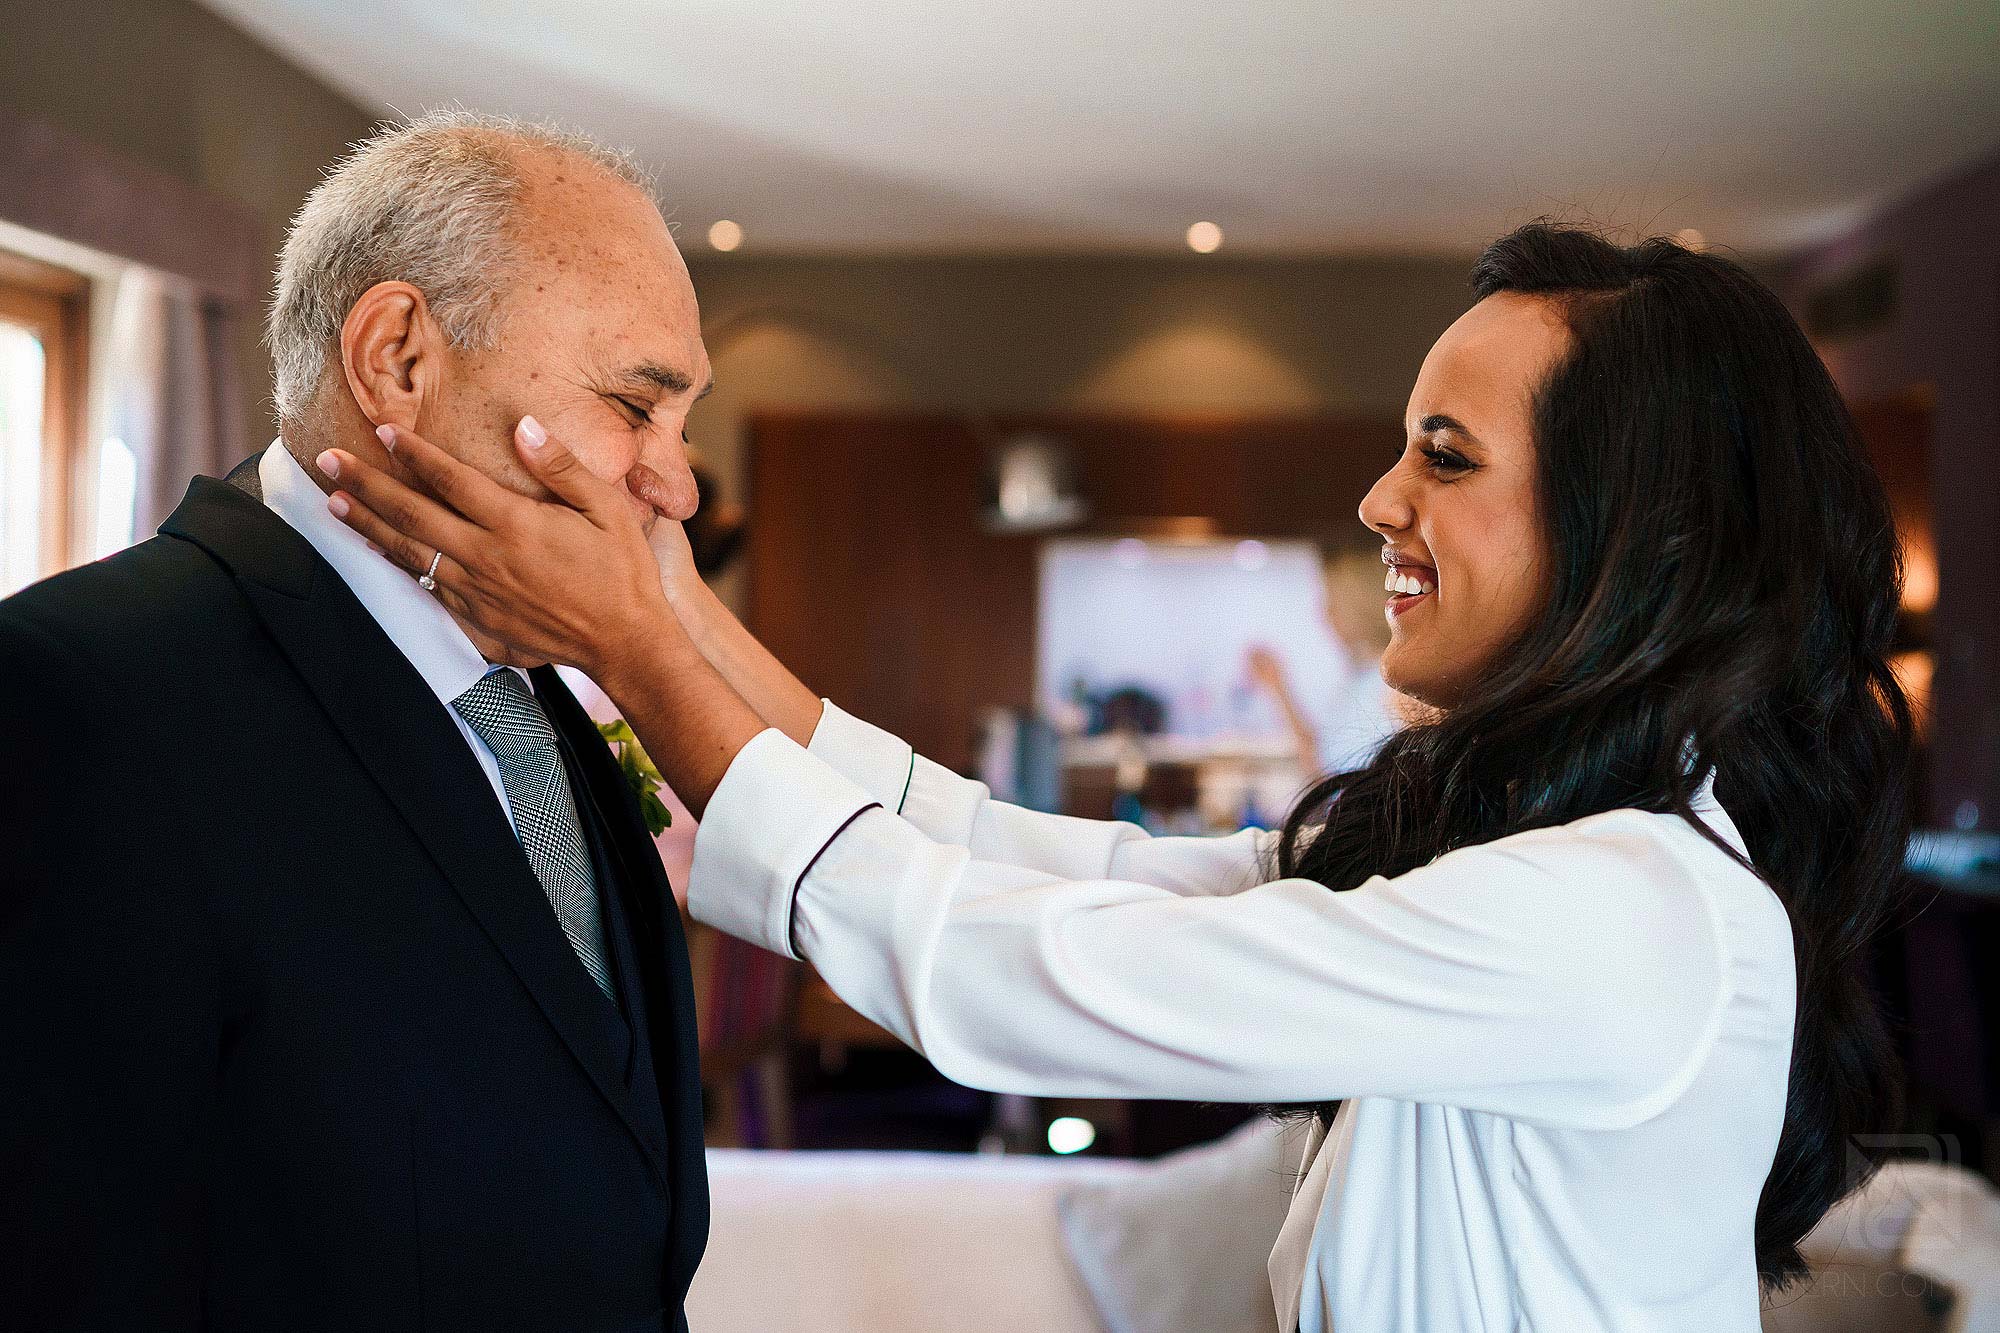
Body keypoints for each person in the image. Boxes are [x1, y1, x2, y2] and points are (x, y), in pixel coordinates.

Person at [321, 223, 1914, 1331]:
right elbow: (1039, 860)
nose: (1377, 498)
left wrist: (632, 640)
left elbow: (1039, 969)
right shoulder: (1530, 857)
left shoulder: (1620, 911)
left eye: (1445, 455)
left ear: (1644, 543)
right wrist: (658, 600)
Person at [0, 112, 714, 1331]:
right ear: (395, 358)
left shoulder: (543, 701)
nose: (677, 481)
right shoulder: (80, 694)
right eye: (632, 405)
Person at [1246, 539, 1408, 774]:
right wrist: (1278, 688)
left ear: (1359, 607)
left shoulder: (1391, 687)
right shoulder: (1364, 680)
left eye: (1332, 600)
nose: (1324, 612)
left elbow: (1326, 774)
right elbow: (1326, 766)